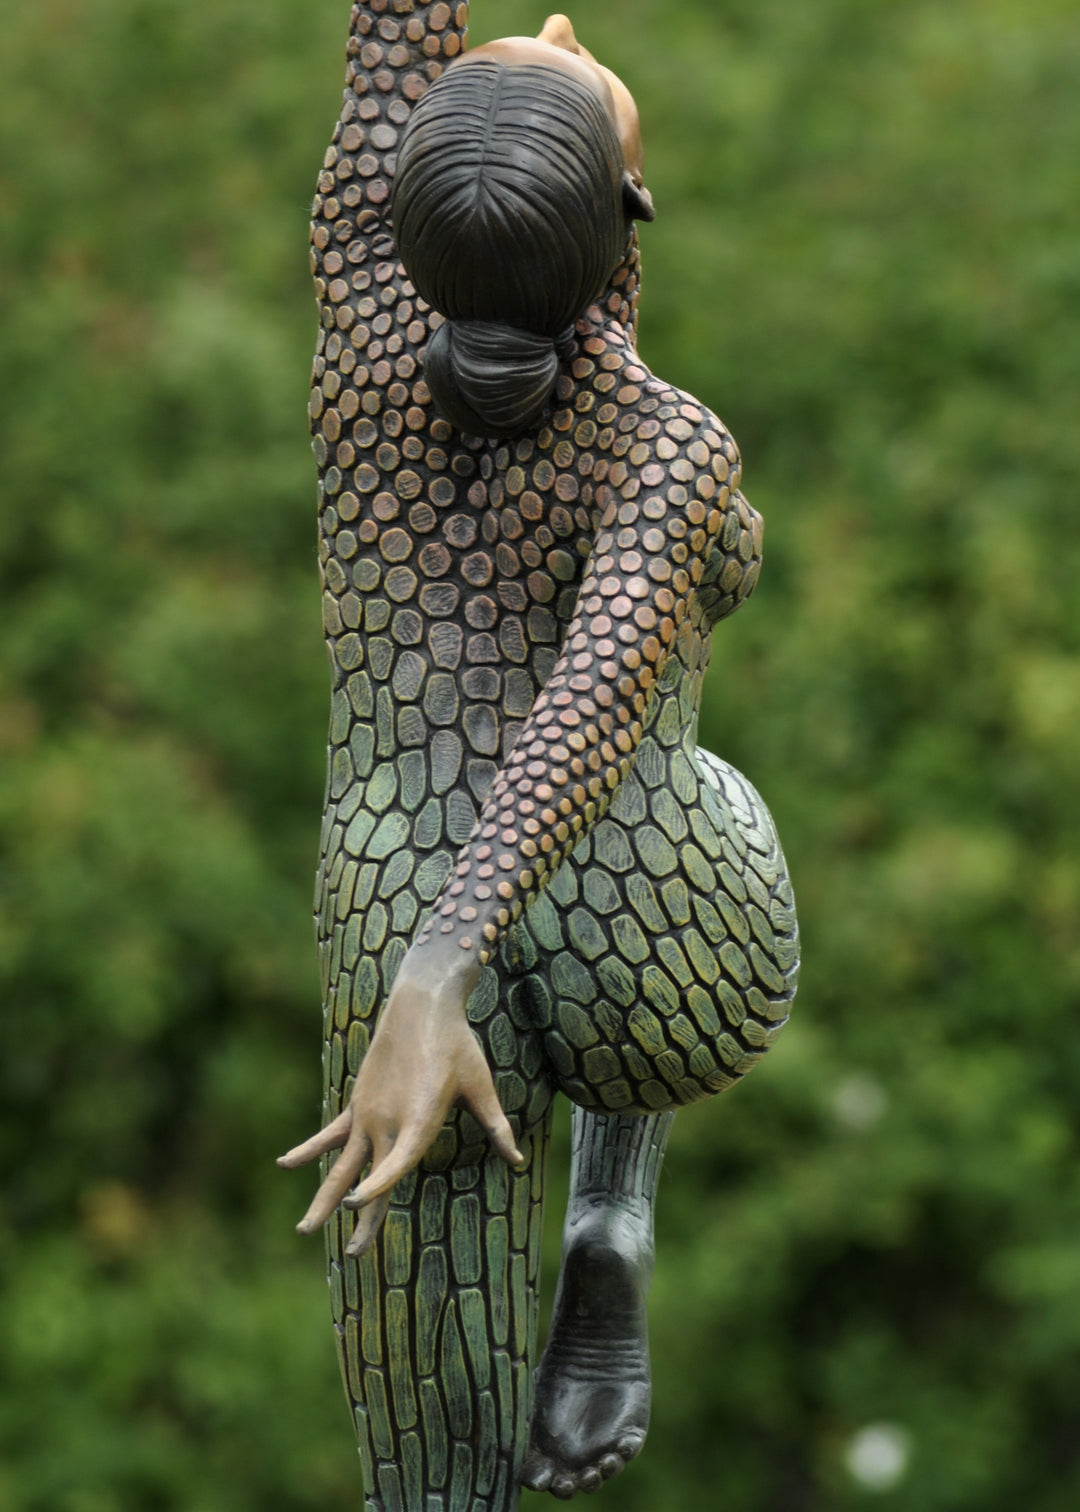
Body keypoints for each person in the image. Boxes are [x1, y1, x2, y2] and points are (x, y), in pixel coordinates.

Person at [280, 9, 798, 1505]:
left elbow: (395, 43)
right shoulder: (665, 447)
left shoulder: (366, 339)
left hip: (386, 941)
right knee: (655, 725)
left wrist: (420, 969)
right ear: (627, 232)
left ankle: (495, 1383)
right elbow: (592, 698)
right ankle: (613, 1212)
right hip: (640, 955)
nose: (560, 22)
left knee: (430, 1455)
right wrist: (451, 972)